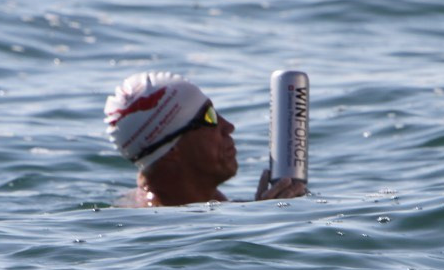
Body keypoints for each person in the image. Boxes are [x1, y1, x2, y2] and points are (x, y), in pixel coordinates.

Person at [104, 71, 307, 207]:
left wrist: (264, 210)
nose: (228, 126)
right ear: (171, 150)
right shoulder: (160, 231)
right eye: (209, 117)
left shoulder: (208, 205)